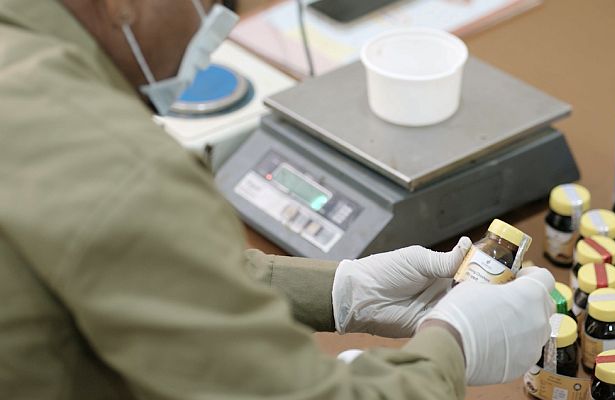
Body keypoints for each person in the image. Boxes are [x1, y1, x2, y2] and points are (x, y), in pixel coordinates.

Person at [0, 1, 554, 399]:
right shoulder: (123, 165)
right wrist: (453, 344)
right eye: (209, 3)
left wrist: (341, 291)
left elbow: (131, 265)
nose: (212, 28)